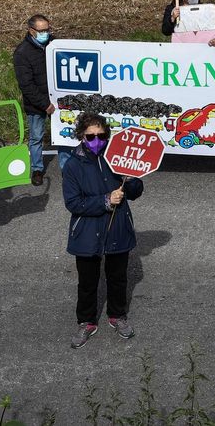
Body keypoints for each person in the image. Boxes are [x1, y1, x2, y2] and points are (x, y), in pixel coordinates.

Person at [62, 112, 144, 349]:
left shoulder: (118, 157)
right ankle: (86, 321)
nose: (97, 140)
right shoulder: (73, 166)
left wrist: (132, 180)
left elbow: (136, 192)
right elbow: (73, 203)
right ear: (81, 136)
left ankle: (117, 315)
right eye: (90, 136)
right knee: (87, 281)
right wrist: (106, 200)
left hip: (118, 227)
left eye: (102, 135)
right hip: (87, 231)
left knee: (118, 277)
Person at [14, 13, 62, 184]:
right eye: (41, 31)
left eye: (47, 30)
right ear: (31, 31)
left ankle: (67, 168)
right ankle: (37, 169)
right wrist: (44, 104)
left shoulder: (56, 45)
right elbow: (26, 85)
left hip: (58, 100)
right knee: (36, 137)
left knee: (63, 134)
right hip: (37, 104)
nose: (45, 33)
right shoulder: (22, 52)